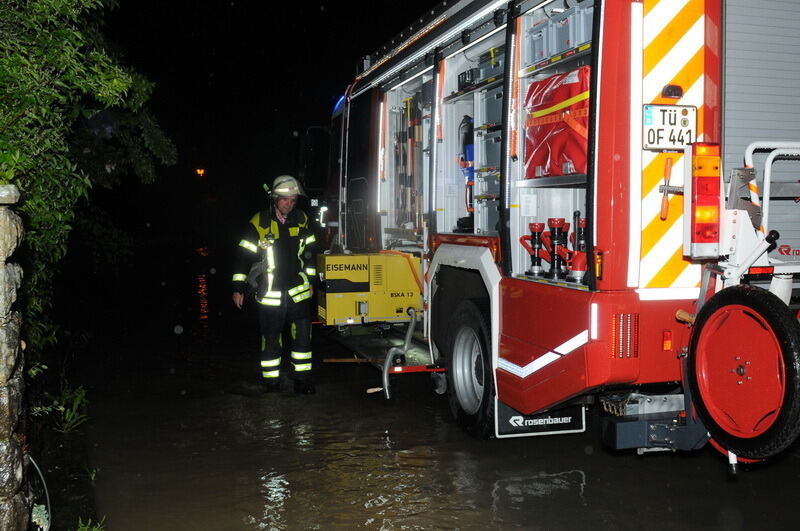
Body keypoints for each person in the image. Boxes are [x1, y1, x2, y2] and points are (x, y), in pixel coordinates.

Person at [232, 175, 317, 394]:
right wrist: (238, 288)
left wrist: (312, 281)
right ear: (274, 199)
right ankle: (271, 384)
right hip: (270, 294)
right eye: (285, 199)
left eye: (293, 200)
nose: (289, 204)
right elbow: (243, 257)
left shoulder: (302, 219)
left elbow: (310, 255)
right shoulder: (259, 222)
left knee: (303, 341)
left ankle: (302, 381)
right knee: (271, 340)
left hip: (298, 293)